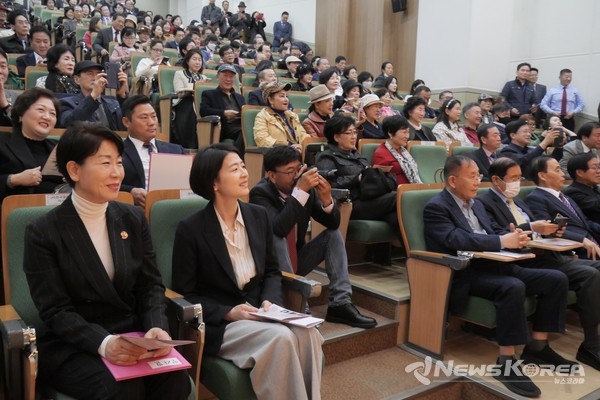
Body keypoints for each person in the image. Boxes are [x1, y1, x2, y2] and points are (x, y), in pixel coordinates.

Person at [24, 123, 191, 400]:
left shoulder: (132, 218)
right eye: (105, 163)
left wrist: (156, 326)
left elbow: (150, 285)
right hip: (76, 344)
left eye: (118, 162)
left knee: (174, 381)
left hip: (133, 335)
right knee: (122, 389)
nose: (117, 173)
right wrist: (104, 343)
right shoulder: (43, 231)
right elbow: (55, 310)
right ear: (75, 170)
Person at [172, 143, 323, 399]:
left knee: (308, 333)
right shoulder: (191, 229)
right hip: (221, 324)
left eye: (243, 166)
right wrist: (229, 312)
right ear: (214, 183)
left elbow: (273, 271)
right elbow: (186, 293)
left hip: (260, 312)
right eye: (234, 169)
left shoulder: (258, 215)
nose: (244, 173)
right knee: (281, 339)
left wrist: (270, 303)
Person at [424, 155, 573, 398]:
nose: (477, 181)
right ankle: (506, 361)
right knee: (512, 286)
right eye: (472, 176)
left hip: (497, 264)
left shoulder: (477, 203)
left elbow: (494, 233)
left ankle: (537, 346)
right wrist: (502, 240)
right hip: (465, 272)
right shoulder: (437, 207)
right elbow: (455, 239)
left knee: (555, 279)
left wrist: (519, 235)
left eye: (477, 176)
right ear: (452, 180)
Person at [477, 156, 600, 373]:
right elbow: (496, 234)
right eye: (513, 178)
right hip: (523, 260)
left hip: (544, 253)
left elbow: (537, 230)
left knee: (593, 269)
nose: (517, 183)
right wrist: (531, 227)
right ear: (496, 180)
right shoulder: (484, 203)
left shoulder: (519, 201)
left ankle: (543, 345)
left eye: (519, 177)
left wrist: (551, 230)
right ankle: (590, 344)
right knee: (588, 275)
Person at [250, 146, 377, 328]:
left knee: (332, 235)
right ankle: (300, 309)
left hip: (295, 262)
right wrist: (300, 192)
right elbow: (279, 227)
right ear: (271, 175)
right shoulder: (260, 194)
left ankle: (340, 304)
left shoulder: (305, 190)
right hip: (269, 272)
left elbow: (332, 224)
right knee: (276, 237)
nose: (296, 176)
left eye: (298, 169)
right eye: (289, 172)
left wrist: (326, 199)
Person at [315, 115, 399, 231]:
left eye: (355, 133)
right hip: (348, 204)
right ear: (336, 137)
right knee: (401, 197)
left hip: (369, 198)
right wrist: (357, 178)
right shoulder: (326, 157)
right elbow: (328, 185)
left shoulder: (356, 154)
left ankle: (402, 249)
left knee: (395, 218)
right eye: (349, 133)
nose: (354, 137)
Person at [526, 156, 600, 260]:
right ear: (542, 176)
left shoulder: (566, 197)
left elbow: (585, 223)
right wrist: (582, 239)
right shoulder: (535, 198)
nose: (563, 174)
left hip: (593, 242)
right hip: (577, 249)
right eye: (557, 170)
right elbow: (547, 230)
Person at [120, 95, 184, 208]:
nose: (151, 122)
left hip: (174, 207)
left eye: (154, 116)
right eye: (144, 117)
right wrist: (130, 191)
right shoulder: (118, 152)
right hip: (136, 211)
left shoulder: (176, 150)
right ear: (126, 122)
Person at [0, 87, 63, 202]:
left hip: (58, 211)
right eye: (41, 110)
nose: (47, 117)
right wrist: (13, 180)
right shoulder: (2, 142)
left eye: (52, 114)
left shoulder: (60, 147)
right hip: (18, 213)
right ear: (20, 115)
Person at [59, 60, 129, 130]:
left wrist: (122, 96)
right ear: (77, 80)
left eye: (98, 73)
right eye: (90, 74)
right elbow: (68, 124)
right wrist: (93, 96)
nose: (95, 77)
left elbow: (129, 122)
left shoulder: (113, 103)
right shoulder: (66, 103)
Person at [199, 63, 246, 150]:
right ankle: (237, 156)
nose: (228, 79)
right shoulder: (209, 94)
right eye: (225, 76)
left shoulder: (240, 97)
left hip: (240, 125)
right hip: (223, 127)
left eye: (231, 77)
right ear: (217, 77)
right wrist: (224, 113)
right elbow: (204, 111)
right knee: (245, 132)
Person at [171, 48, 209, 148]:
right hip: (183, 102)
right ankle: (190, 145)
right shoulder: (179, 74)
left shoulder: (204, 77)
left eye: (199, 60)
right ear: (187, 61)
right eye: (194, 59)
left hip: (199, 104)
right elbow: (179, 92)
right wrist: (196, 86)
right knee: (190, 104)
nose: (197, 62)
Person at [253, 82, 309, 150]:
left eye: (286, 96)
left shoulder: (292, 115)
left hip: (299, 151)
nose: (286, 99)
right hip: (279, 153)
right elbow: (261, 140)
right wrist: (288, 146)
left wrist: (304, 145)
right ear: (270, 100)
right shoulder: (262, 116)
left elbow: (303, 135)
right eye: (282, 96)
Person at [372, 115, 422, 184]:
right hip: (397, 192)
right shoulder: (380, 154)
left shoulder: (403, 151)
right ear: (390, 133)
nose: (407, 136)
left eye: (408, 132)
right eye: (404, 132)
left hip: (412, 189)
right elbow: (379, 183)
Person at [564, 153, 600, 224]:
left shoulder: (594, 188)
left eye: (599, 167)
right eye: (594, 168)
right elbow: (596, 207)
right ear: (579, 172)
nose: (598, 171)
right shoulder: (572, 192)